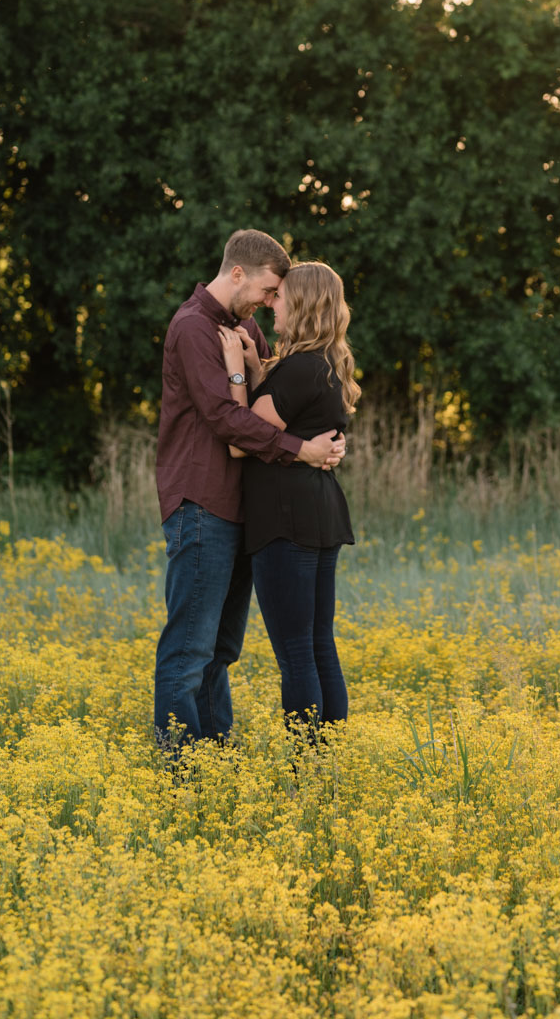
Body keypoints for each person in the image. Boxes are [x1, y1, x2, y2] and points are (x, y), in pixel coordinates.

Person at [153, 229, 345, 751]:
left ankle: (215, 761)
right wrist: (301, 450)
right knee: (189, 649)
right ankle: (181, 773)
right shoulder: (194, 328)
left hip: (243, 509)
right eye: (266, 289)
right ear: (238, 272)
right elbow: (226, 419)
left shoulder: (243, 327)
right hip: (202, 502)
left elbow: (271, 397)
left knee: (220, 651)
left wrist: (320, 440)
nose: (269, 301)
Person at [218, 260, 358, 737]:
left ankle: (309, 770)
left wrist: (237, 374)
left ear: (300, 304)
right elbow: (280, 421)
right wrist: (260, 368)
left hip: (285, 520)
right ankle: (329, 768)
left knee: (297, 653)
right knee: (319, 645)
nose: (270, 303)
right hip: (319, 512)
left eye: (279, 297)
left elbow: (241, 439)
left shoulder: (299, 368)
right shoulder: (324, 365)